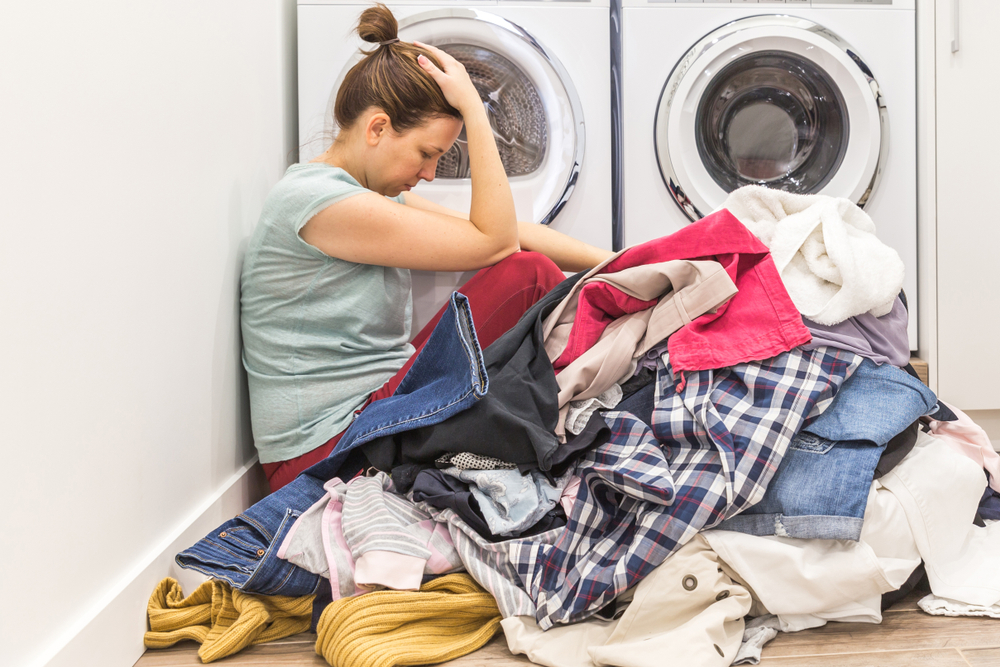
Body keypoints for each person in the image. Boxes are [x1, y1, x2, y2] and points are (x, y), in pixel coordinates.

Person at [241, 3, 613, 493]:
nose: (430, 174)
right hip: (325, 454)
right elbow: (497, 242)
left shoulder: (358, 197)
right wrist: (477, 113)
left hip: (364, 417)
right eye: (428, 153)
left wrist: (624, 261)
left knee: (531, 274)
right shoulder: (320, 204)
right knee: (529, 276)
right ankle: (587, 413)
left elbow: (512, 232)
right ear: (377, 129)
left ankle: (569, 410)